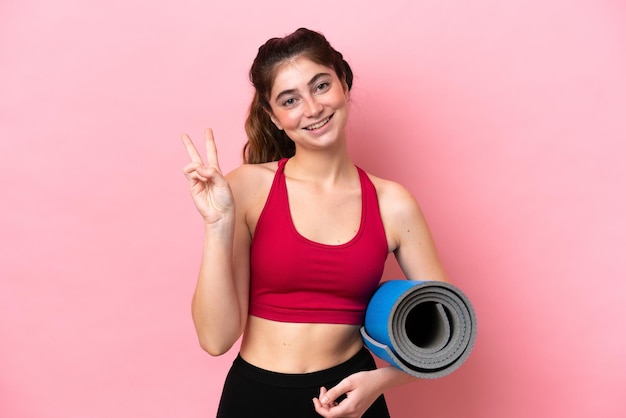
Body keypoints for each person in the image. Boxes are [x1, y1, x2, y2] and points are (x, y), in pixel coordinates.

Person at [181, 27, 449, 418]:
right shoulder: (247, 188)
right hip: (254, 398)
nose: (312, 108)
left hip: (350, 398)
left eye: (321, 86)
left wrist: (381, 381)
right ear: (273, 117)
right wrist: (218, 225)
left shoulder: (393, 203)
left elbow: (449, 333)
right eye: (290, 100)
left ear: (343, 82)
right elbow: (215, 339)